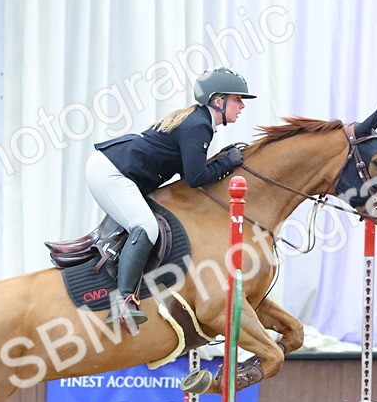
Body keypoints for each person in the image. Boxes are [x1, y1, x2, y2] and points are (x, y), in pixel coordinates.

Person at [87, 67, 256, 329]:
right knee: (146, 226)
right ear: (218, 101)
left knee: (145, 224)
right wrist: (227, 164)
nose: (242, 106)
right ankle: (121, 304)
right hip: (111, 172)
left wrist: (222, 159)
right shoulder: (198, 125)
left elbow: (188, 172)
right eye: (237, 99)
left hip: (116, 169)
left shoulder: (199, 121)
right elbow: (196, 178)